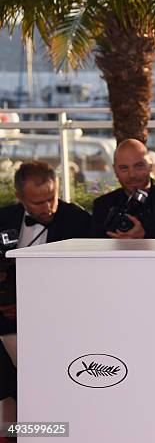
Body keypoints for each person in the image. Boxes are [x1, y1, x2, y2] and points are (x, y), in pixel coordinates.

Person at [0, 160, 91, 420]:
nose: (48, 208)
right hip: (6, 321)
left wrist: (31, 310)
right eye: (38, 203)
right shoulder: (3, 219)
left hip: (57, 323)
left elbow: (83, 284)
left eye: (51, 198)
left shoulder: (79, 221)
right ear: (19, 198)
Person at [92, 139, 155, 239]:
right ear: (115, 170)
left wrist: (146, 235)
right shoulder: (102, 206)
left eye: (138, 166)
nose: (132, 175)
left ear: (150, 166)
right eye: (124, 168)